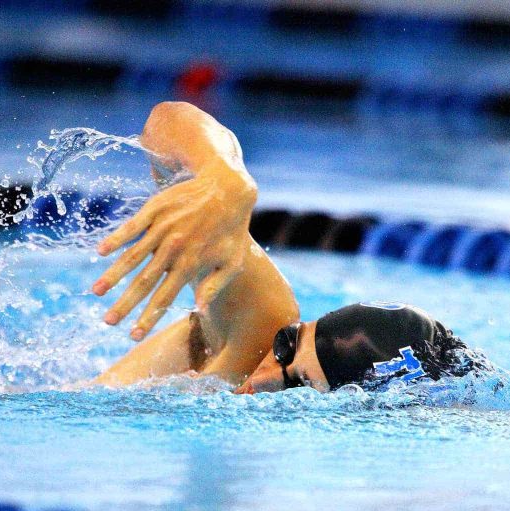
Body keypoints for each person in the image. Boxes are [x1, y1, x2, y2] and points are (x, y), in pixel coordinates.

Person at [90, 102, 489, 393]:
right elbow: (163, 123)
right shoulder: (261, 328)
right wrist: (224, 175)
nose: (262, 374)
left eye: (297, 385)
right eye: (287, 344)